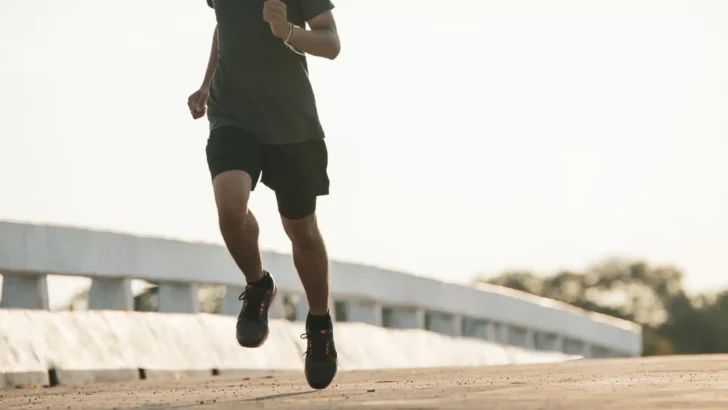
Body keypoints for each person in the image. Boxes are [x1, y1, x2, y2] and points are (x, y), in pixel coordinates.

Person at [186, 0, 341, 390]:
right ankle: (258, 285)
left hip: (292, 122)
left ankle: (319, 324)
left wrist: (287, 31)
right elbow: (225, 29)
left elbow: (331, 42)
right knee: (230, 207)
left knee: (302, 230)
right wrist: (206, 85)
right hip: (232, 114)